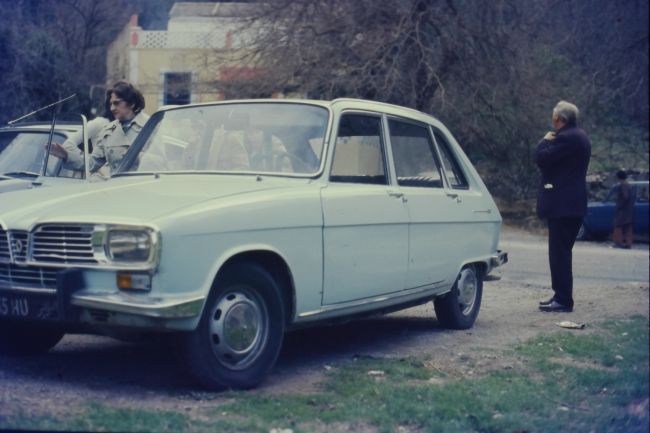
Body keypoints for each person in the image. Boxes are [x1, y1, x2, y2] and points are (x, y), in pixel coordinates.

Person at [535, 100, 591, 313]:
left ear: (558, 119)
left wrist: (544, 140)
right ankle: (560, 296)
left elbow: (541, 159)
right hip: (572, 204)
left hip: (563, 206)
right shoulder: (581, 136)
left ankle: (563, 300)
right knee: (561, 253)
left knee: (559, 254)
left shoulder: (566, 138)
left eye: (553, 116)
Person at [50, 80, 149, 178]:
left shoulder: (151, 125)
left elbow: (161, 163)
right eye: (111, 104)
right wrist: (67, 156)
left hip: (143, 188)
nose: (112, 108)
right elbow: (92, 163)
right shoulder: (109, 131)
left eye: (116, 103)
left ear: (131, 103)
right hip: (117, 189)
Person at [612, 170, 635, 249]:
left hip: (623, 210)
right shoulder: (628, 184)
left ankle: (618, 243)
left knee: (618, 225)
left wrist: (619, 205)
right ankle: (628, 244)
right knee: (627, 226)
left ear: (618, 176)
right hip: (628, 209)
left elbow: (625, 196)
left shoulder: (623, 185)